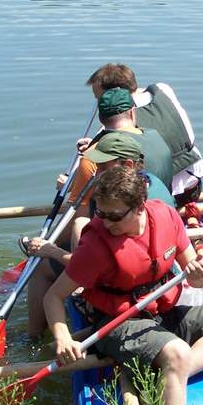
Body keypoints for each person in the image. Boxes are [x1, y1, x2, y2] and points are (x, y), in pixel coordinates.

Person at [43, 166, 203, 405]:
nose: (106, 222)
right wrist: (62, 336)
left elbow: (195, 278)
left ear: (140, 206)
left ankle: (167, 381)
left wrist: (198, 273)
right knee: (177, 354)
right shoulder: (95, 247)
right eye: (100, 212)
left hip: (164, 312)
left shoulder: (166, 216)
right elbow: (53, 296)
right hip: (119, 323)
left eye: (115, 216)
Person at [24, 132, 174, 338]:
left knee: (41, 267)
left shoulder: (122, 216)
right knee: (80, 224)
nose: (96, 174)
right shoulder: (151, 186)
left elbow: (95, 264)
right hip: (153, 282)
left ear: (128, 165)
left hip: (126, 298)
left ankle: (32, 338)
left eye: (103, 168)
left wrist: (51, 251)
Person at [86, 63, 203, 206]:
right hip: (193, 185)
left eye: (99, 98)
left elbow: (92, 158)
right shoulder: (163, 90)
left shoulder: (116, 123)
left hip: (166, 194)